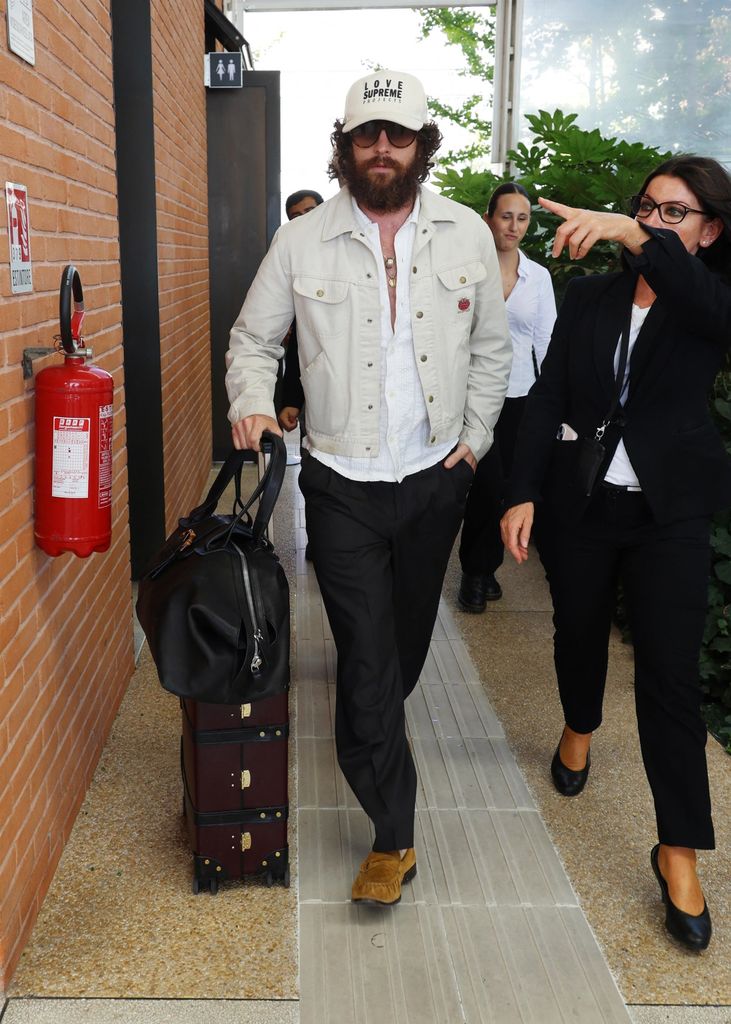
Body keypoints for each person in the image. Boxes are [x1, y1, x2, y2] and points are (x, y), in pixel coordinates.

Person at [226, 69, 511, 905]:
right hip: (341, 480)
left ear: (422, 145)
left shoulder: (464, 233)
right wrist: (251, 403)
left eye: (397, 135)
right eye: (366, 135)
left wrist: (474, 441)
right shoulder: (301, 240)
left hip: (434, 476)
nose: (381, 148)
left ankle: (378, 722)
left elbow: (490, 351)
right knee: (364, 658)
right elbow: (253, 340)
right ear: (345, 145)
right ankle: (393, 837)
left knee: (401, 650)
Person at [500, 155, 731, 951]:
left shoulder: (707, 301)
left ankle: (677, 850)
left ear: (709, 232)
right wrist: (522, 490)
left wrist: (637, 236)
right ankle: (578, 722)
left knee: (668, 677)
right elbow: (549, 396)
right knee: (576, 630)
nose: (654, 222)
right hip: (583, 502)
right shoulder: (591, 296)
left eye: (674, 213)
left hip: (670, 515)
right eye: (646, 208)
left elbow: (702, 301)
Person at [457, 183, 556, 612]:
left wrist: (554, 401)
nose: (513, 226)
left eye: (522, 218)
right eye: (505, 216)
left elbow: (547, 341)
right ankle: (474, 571)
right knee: (485, 484)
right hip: (474, 393)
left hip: (520, 396)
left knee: (503, 488)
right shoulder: (468, 270)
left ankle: (483, 570)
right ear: (488, 219)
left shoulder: (539, 278)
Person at [276, 190, 325, 437]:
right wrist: (292, 400)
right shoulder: (292, 256)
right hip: (319, 391)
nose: (304, 219)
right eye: (296, 216)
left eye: (309, 212)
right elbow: (298, 345)